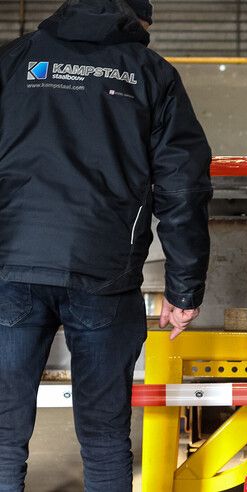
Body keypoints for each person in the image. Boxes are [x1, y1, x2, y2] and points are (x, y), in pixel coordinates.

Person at [0, 1, 212, 490]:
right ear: (135, 21)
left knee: (4, 435)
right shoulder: (151, 74)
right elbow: (183, 188)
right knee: (103, 437)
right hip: (105, 272)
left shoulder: (14, 60)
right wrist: (184, 290)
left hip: (11, 268)